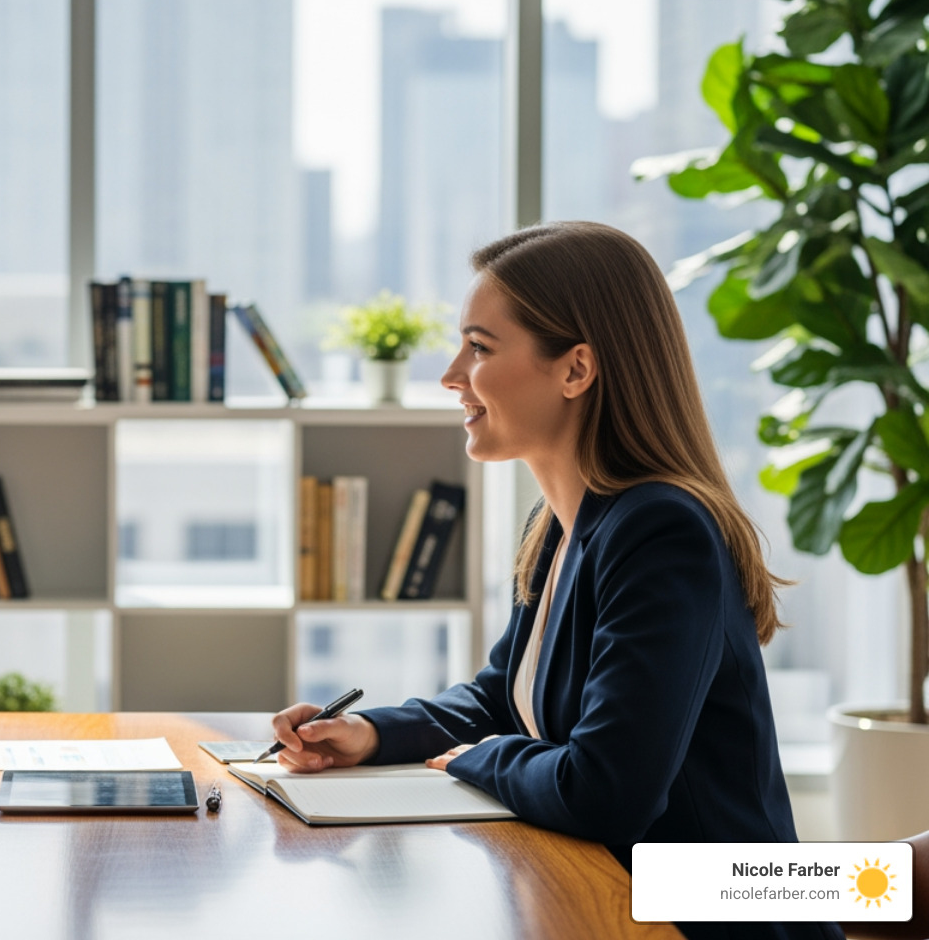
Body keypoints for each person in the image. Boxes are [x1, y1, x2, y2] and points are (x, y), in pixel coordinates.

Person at [268, 222, 844, 940]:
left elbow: (606, 793)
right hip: (597, 899)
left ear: (575, 370)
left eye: (479, 348)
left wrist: (483, 760)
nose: (452, 375)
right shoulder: (563, 522)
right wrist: (365, 733)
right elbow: (501, 695)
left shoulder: (662, 532)